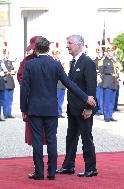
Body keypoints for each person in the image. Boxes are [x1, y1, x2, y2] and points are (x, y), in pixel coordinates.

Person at [20, 36, 96, 180]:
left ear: (35, 49)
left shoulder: (30, 65)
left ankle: (39, 172)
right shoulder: (55, 64)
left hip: (35, 109)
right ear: (48, 49)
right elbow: (70, 84)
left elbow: (24, 90)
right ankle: (52, 172)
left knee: (37, 141)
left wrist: (23, 109)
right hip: (51, 109)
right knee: (51, 140)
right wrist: (85, 97)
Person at [56, 34, 98, 177]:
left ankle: (91, 168)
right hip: (73, 108)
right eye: (67, 43)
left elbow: (92, 87)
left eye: (70, 43)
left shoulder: (87, 62)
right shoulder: (73, 62)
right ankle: (68, 166)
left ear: (79, 45)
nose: (67, 46)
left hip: (83, 109)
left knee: (86, 138)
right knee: (71, 137)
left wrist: (89, 108)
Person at [18, 36, 47, 146]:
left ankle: (48, 161)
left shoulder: (50, 60)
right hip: (32, 98)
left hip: (46, 99)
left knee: (48, 133)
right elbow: (20, 77)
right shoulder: (27, 60)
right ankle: (38, 160)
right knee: (34, 133)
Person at [100, 45, 119, 122]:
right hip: (107, 83)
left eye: (112, 51)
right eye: (110, 51)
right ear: (107, 52)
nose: (111, 52)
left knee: (112, 101)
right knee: (107, 100)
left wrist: (117, 76)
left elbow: (117, 70)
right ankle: (106, 116)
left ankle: (110, 115)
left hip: (114, 83)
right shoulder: (103, 61)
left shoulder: (114, 61)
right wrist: (111, 73)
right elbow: (101, 72)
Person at [1, 42, 16, 119]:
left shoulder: (10, 62)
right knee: (5, 99)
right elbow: (2, 71)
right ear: (3, 54)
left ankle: (9, 113)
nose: (7, 55)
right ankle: (5, 113)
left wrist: (13, 71)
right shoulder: (1, 62)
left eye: (8, 53)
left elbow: (13, 70)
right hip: (5, 82)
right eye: (6, 53)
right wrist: (8, 72)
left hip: (11, 82)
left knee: (10, 99)